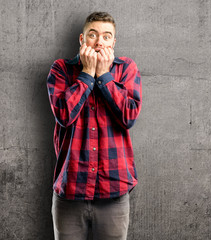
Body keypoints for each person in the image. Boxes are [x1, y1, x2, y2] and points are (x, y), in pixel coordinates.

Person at [46, 11, 142, 240]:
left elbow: (129, 116)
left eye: (107, 36)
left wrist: (105, 76)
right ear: (82, 39)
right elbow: (64, 115)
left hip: (114, 193)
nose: (99, 41)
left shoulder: (126, 69)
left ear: (114, 42)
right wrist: (88, 74)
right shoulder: (61, 69)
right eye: (93, 35)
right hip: (70, 192)